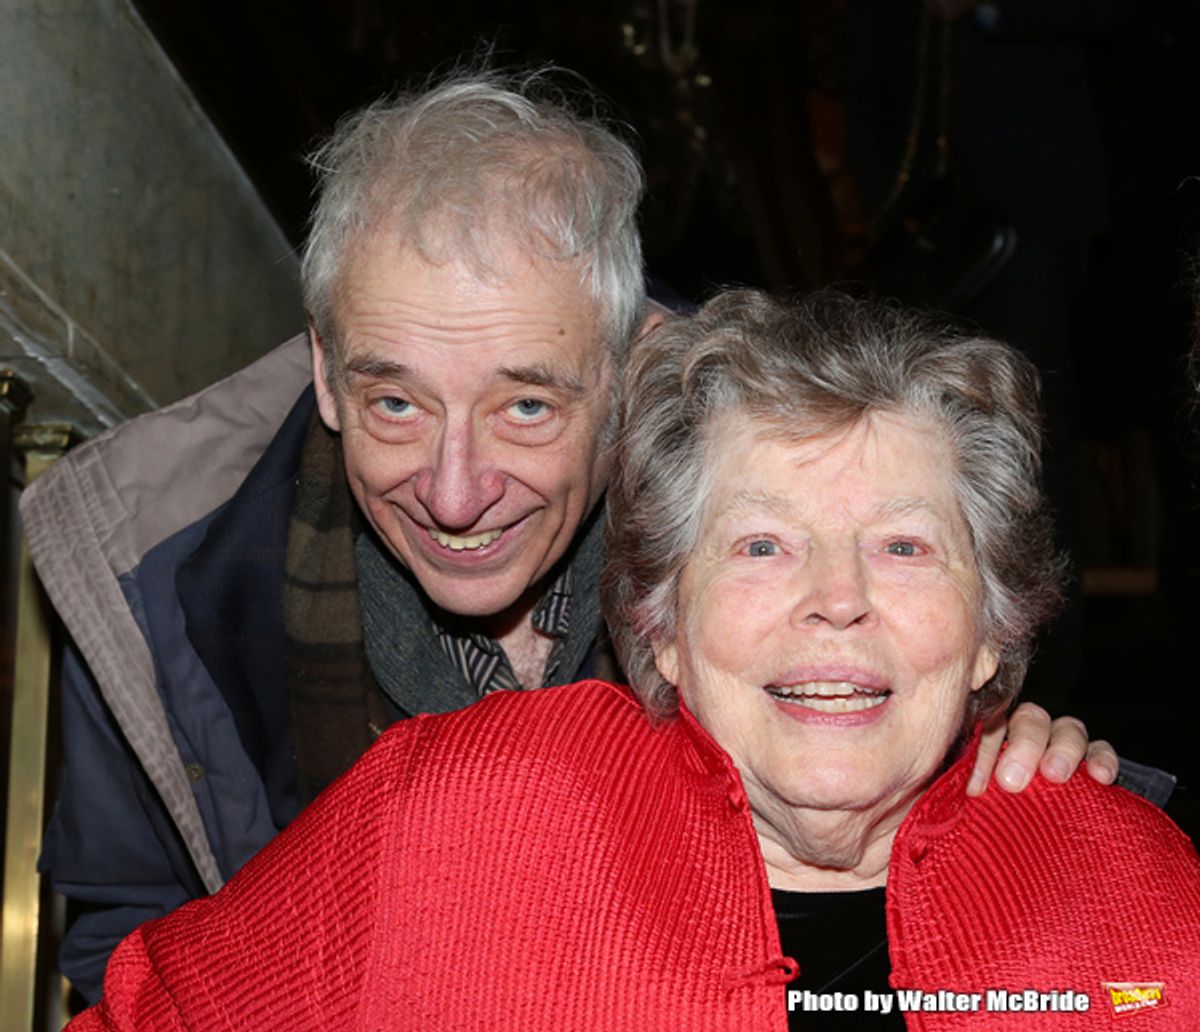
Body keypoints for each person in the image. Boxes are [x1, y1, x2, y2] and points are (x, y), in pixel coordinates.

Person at [22, 73, 1116, 1003]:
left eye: (527, 408)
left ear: (631, 365)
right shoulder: (152, 574)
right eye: (397, 403)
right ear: (325, 370)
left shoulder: (762, 528)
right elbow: (131, 945)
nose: (454, 495)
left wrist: (987, 765)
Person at [66, 289, 1200, 1031]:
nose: (837, 602)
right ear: (659, 617)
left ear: (996, 626)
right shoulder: (449, 821)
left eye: (903, 547)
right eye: (761, 544)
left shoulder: (1145, 907)